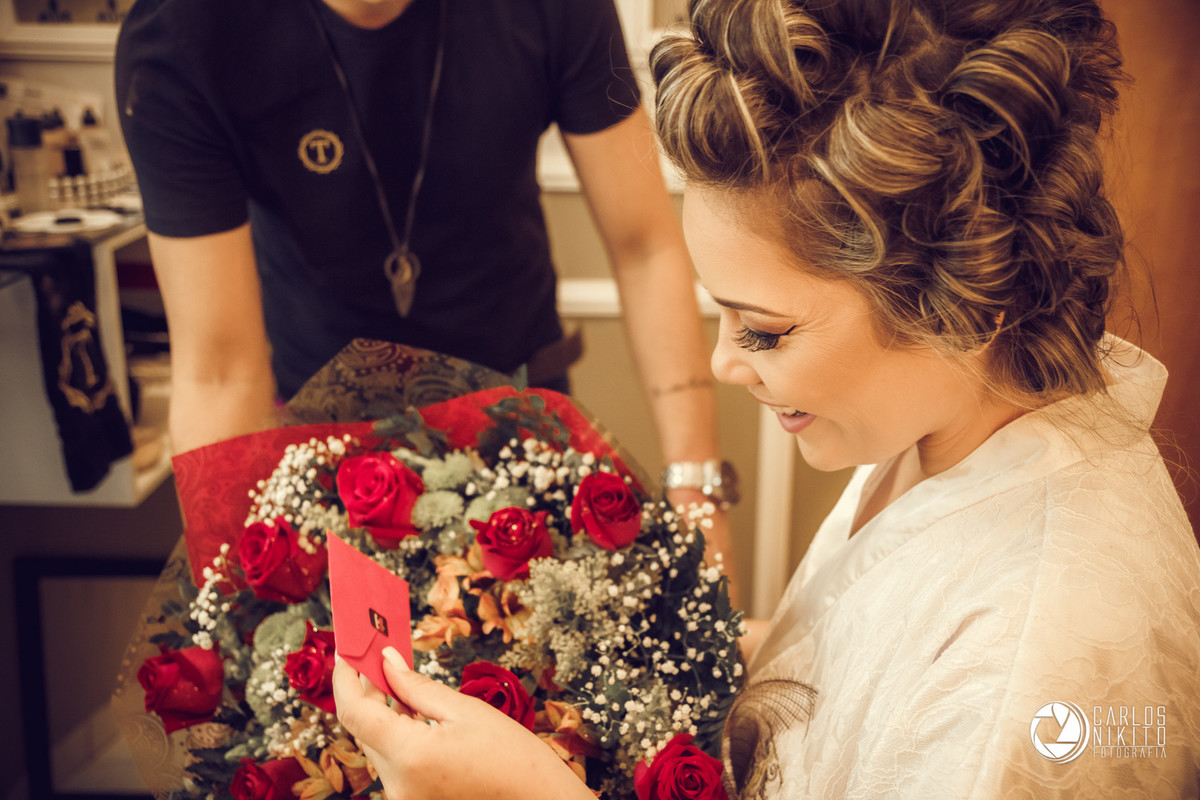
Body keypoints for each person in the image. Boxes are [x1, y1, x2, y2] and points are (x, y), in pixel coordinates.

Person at [332, 0, 1200, 797]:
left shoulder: (1034, 680)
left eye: (767, 331)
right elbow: (854, 674)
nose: (721, 364)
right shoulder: (946, 425)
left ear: (963, 300)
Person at [115, 0, 738, 577]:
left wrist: (697, 492)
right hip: (319, 445)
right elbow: (219, 371)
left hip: (521, 424)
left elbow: (645, 248)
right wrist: (234, 587)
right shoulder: (182, 32)